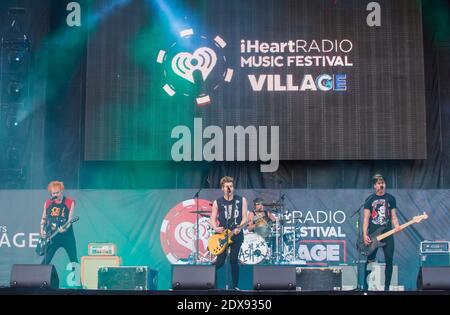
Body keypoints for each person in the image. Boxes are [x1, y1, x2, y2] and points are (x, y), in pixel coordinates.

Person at [362, 174, 402, 291]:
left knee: (389, 259)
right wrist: (365, 235)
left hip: (388, 233)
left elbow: (394, 216)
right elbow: (366, 218)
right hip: (373, 234)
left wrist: (397, 226)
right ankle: (365, 287)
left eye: (383, 183)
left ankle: (386, 288)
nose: (382, 185)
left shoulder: (391, 199)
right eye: (379, 183)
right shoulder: (369, 199)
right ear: (375, 186)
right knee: (369, 260)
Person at [210, 176, 248, 290]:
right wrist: (215, 228)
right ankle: (210, 280)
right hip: (222, 235)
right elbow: (212, 218)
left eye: (231, 186)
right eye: (227, 186)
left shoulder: (242, 200)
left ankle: (235, 286)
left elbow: (245, 218)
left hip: (236, 234)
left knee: (233, 259)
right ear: (222, 188)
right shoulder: (217, 202)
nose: (229, 188)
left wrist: (240, 227)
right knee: (220, 262)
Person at [40, 181, 78, 265]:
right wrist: (42, 230)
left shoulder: (69, 202)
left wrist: (65, 228)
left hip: (68, 236)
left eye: (57, 192)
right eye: (53, 193)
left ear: (61, 191)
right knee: (46, 259)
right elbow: (43, 219)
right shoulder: (48, 203)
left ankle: (77, 278)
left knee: (73, 259)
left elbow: (69, 220)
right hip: (53, 236)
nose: (55, 195)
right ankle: (39, 277)